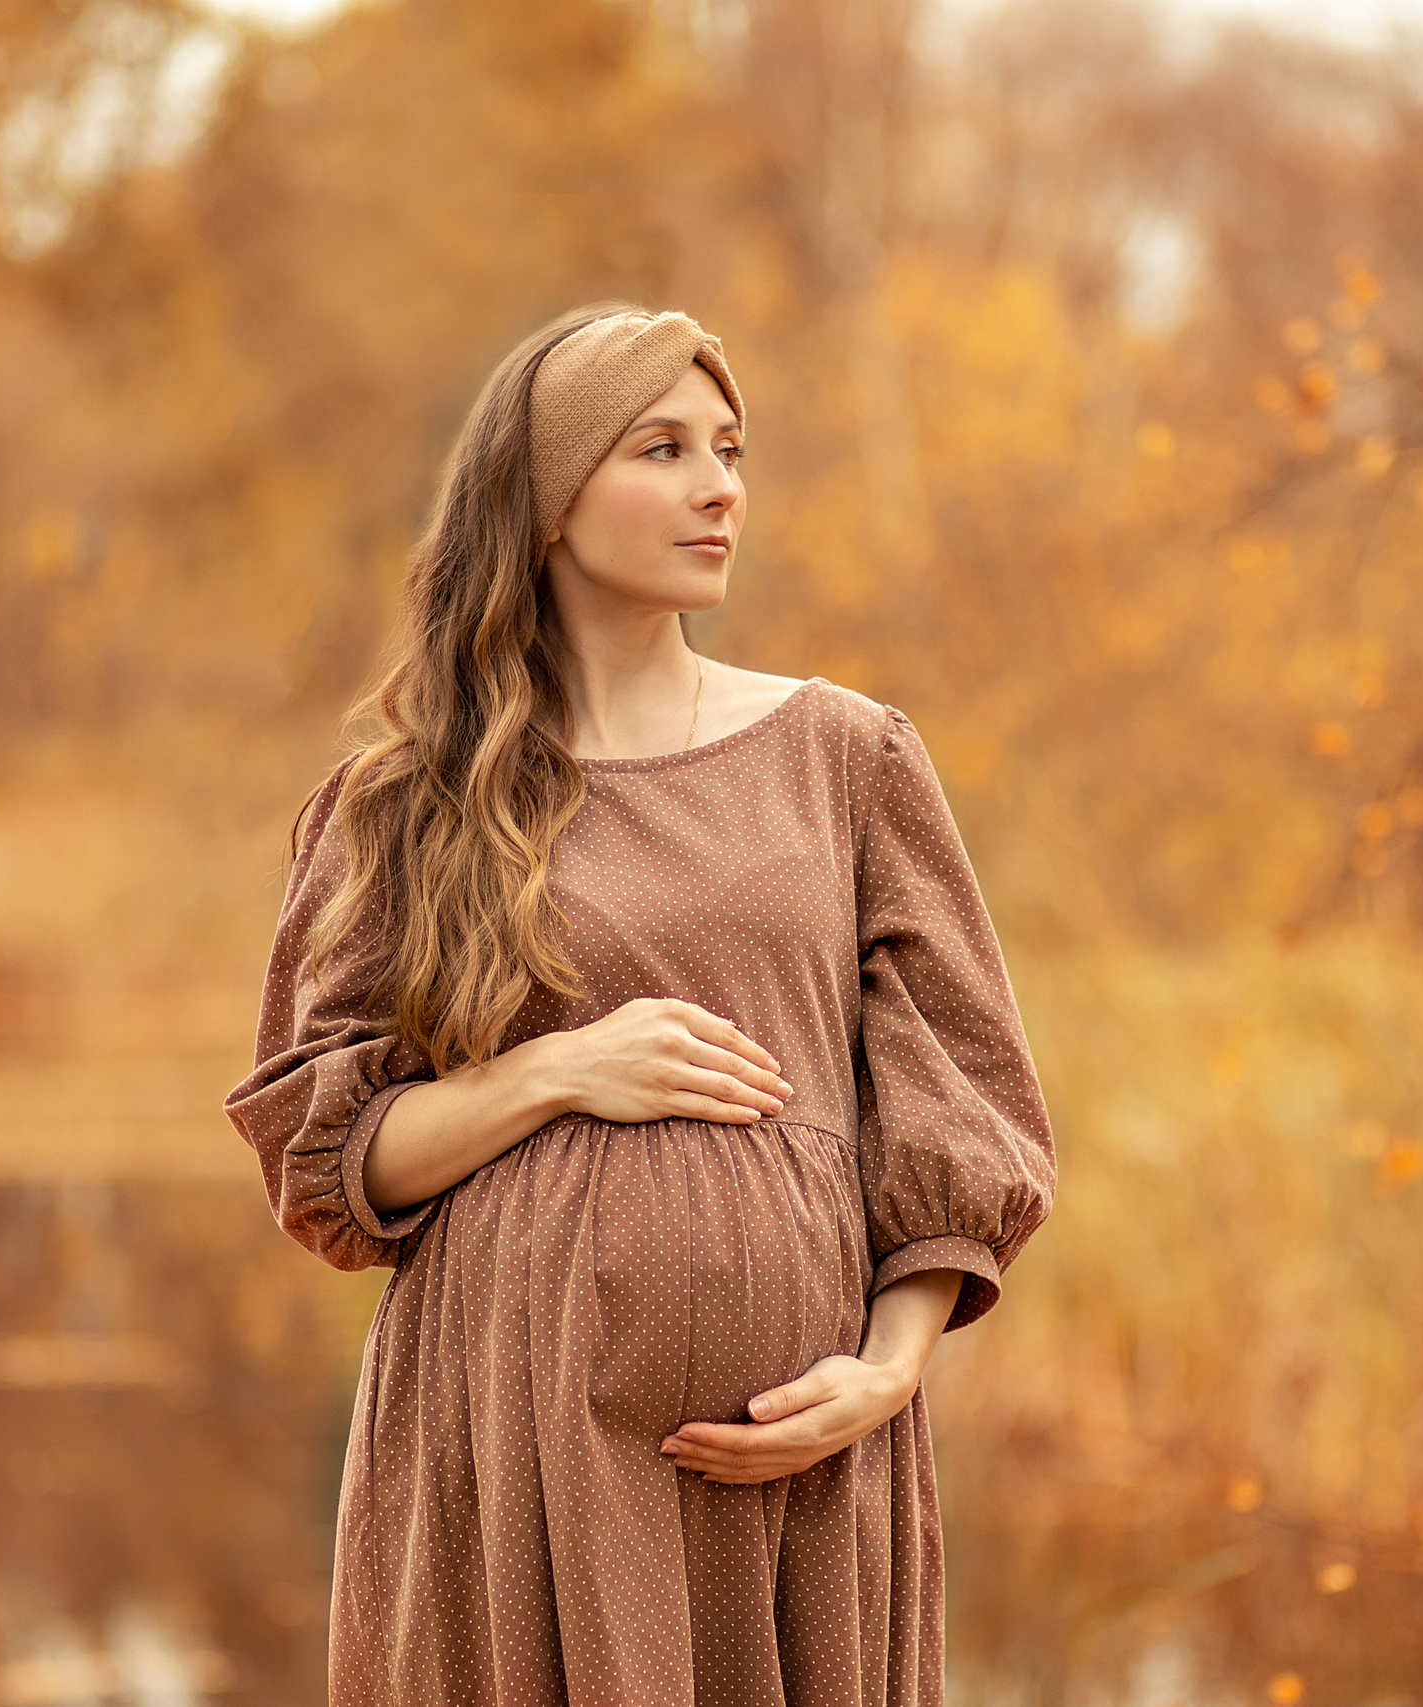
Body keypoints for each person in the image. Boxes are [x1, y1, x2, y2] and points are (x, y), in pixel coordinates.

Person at [224, 301, 1059, 1707]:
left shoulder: (846, 756)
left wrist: (888, 1370)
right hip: (510, 1440)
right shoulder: (408, 799)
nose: (719, 485)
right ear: (547, 500)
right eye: (662, 449)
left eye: (729, 449)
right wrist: (554, 1073)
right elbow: (330, 1165)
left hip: (794, 1455)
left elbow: (956, 1099)